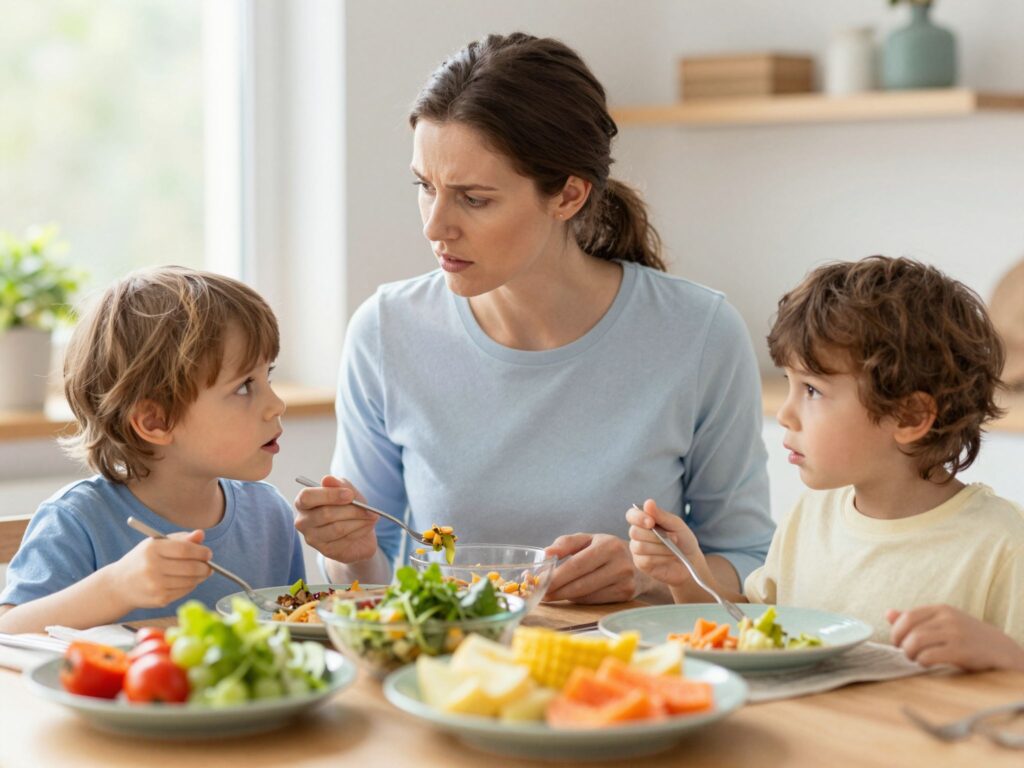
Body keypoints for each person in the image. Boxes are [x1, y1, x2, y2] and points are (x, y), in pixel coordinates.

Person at [294, 32, 774, 604]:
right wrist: (346, 554)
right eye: (425, 187)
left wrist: (652, 577)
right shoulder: (386, 331)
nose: (434, 226)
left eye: (474, 198)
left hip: (634, 676)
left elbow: (750, 562)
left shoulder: (699, 334)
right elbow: (366, 584)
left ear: (568, 195)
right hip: (447, 675)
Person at [628, 256, 1024, 671]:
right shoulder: (808, 518)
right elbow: (752, 637)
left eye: (813, 390)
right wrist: (689, 575)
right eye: (789, 384)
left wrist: (1004, 654)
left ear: (909, 417)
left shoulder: (1003, 546)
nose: (785, 413)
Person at [0, 267, 304, 632]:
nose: (276, 404)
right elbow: (8, 633)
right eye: (244, 387)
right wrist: (114, 589)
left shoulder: (270, 514)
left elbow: (296, 629)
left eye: (267, 376)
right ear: (155, 422)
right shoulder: (77, 521)